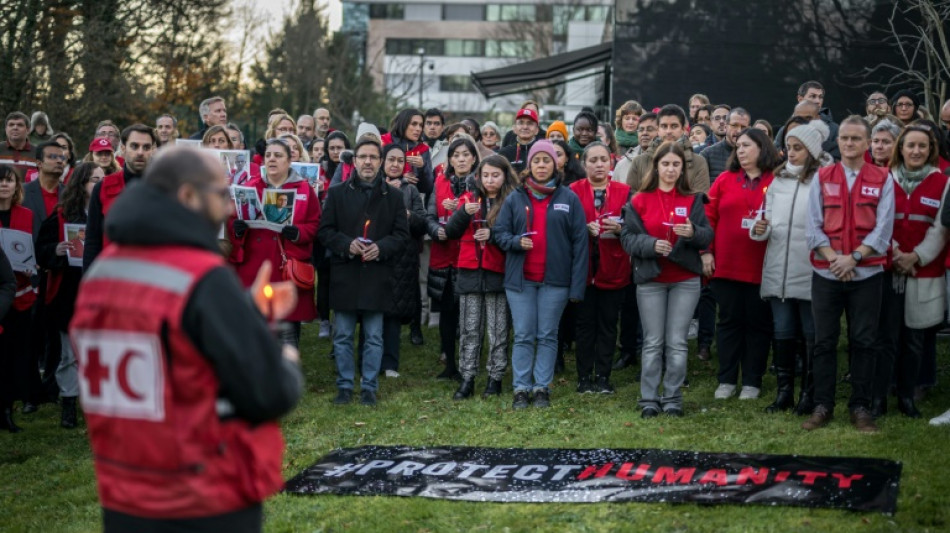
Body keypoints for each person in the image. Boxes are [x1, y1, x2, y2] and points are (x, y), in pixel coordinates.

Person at [68, 146, 301, 532]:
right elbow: (269, 391)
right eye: (222, 194)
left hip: (123, 495)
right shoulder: (201, 277)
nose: (229, 209)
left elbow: (166, 342)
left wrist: (243, 312)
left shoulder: (101, 274)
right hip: (203, 497)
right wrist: (286, 359)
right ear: (188, 196)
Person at [803, 116, 894, 433]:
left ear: (868, 143)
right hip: (826, 273)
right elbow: (812, 225)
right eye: (844, 138)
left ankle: (860, 406)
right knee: (824, 342)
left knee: (864, 341)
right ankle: (822, 405)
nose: (850, 143)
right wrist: (833, 259)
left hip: (867, 275)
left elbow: (883, 230)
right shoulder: (823, 176)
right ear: (838, 141)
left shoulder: (883, 178)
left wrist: (853, 258)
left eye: (856, 138)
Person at [493, 140, 588, 409]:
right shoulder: (515, 197)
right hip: (521, 281)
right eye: (537, 160)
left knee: (547, 334)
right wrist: (515, 242)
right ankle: (521, 388)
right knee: (523, 334)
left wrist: (576, 287)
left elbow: (581, 244)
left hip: (555, 282)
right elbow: (499, 234)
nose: (542, 165)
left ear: (556, 164)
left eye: (547, 160)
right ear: (529, 165)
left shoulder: (568, 198)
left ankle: (541, 388)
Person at [622, 142, 712, 417]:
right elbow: (627, 238)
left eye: (676, 165)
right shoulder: (638, 200)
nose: (671, 169)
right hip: (651, 280)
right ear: (656, 166)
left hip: (685, 278)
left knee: (677, 341)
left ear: (682, 169)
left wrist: (693, 232)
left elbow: (707, 236)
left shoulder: (693, 199)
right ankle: (648, 398)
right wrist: (651, 245)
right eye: (666, 164)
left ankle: (672, 396)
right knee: (652, 342)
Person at [318, 136, 409, 406]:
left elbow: (401, 236)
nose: (368, 162)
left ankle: (369, 386)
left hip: (377, 274)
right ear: (354, 162)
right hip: (345, 271)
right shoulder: (336, 194)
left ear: (380, 162)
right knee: (343, 334)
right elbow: (325, 231)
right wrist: (347, 245)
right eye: (363, 157)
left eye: (373, 157)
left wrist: (381, 248)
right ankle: (345, 386)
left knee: (374, 336)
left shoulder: (393, 196)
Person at [751, 120, 833, 414]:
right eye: (789, 147)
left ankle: (809, 394)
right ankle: (785, 392)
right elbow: (768, 220)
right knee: (783, 331)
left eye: (798, 148)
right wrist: (760, 228)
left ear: (811, 150)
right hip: (778, 267)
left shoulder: (823, 180)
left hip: (810, 266)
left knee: (811, 333)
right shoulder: (778, 180)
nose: (791, 153)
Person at [873, 124, 948, 419]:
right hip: (887, 270)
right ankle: (878, 398)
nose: (916, 151)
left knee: (915, 341)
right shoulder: (882, 180)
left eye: (922, 146)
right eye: (910, 145)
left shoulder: (943, 183)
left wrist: (915, 257)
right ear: (899, 149)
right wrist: (894, 255)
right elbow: (876, 223)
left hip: (922, 271)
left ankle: (907, 397)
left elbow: (941, 228)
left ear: (931, 150)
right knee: (885, 338)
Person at [703, 128, 780, 401]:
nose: (741, 150)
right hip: (727, 265)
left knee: (758, 326)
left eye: (747, 145)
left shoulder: (776, 180)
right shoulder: (724, 179)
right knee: (728, 322)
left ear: (762, 148)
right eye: (739, 147)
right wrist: (706, 253)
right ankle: (726, 379)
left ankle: (752, 381)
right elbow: (708, 218)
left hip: (761, 266)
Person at [228, 138, 320, 348]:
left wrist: (298, 232)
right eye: (269, 155)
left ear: (289, 161)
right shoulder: (249, 186)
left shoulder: (304, 189)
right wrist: (238, 227)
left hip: (286, 265)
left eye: (278, 155)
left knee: (286, 329)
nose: (272, 159)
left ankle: (285, 374)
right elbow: (232, 219)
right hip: (255, 265)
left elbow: (315, 224)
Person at [444, 154, 517, 399]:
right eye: (485, 175)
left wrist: (493, 234)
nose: (490, 180)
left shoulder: (512, 201)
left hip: (497, 272)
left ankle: (495, 378)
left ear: (505, 176)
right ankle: (467, 377)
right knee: (469, 329)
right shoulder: (469, 198)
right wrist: (463, 212)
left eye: (495, 175)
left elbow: (517, 234)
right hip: (470, 272)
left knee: (497, 330)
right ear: (478, 177)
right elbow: (451, 231)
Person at [36, 162, 102, 428]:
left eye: (101, 179)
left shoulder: (111, 212)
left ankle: (96, 404)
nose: (98, 184)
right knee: (68, 352)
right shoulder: (63, 214)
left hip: (101, 289)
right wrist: (57, 250)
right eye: (93, 179)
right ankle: (68, 402)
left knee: (96, 351)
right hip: (69, 291)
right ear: (81, 183)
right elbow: (41, 248)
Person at [570, 142, 631, 395]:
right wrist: (584, 228)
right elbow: (564, 228)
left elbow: (636, 226)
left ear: (611, 163)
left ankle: (603, 376)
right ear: (584, 164)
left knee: (607, 325)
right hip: (583, 272)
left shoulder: (624, 192)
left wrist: (620, 229)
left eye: (603, 160)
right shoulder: (573, 191)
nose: (598, 164)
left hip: (613, 269)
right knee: (584, 326)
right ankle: (584, 377)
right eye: (592, 160)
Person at [426, 138, 479, 381]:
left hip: (469, 256)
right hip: (443, 255)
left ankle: (469, 364)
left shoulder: (480, 184)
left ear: (474, 158)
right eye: (456, 154)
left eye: (465, 154)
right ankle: (449, 363)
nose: (460, 159)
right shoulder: (440, 181)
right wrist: (435, 228)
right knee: (447, 313)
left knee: (468, 316)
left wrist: (460, 207)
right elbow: (429, 215)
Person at [380, 144, 428, 378]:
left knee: (394, 314)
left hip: (403, 257)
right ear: (383, 161)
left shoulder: (410, 190)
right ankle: (370, 359)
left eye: (400, 160)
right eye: (391, 159)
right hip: (376, 255)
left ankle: (390, 362)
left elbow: (422, 222)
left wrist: (407, 213)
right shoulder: (374, 185)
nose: (395, 164)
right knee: (373, 311)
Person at [83, 124, 158, 269]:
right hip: (112, 274)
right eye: (134, 146)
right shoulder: (103, 187)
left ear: (153, 150)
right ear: (123, 149)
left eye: (146, 147)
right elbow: (93, 240)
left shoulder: (166, 188)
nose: (140, 152)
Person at [0, 163, 36, 432]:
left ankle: (7, 409)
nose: (4, 185)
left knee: (14, 356)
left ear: (16, 186)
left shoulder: (26, 214)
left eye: (9, 180)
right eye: (0, 180)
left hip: (21, 295)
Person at [627, 104, 710, 194]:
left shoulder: (698, 162)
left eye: (674, 126)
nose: (668, 131)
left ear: (683, 129)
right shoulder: (639, 162)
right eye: (664, 126)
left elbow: (700, 201)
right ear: (658, 129)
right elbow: (631, 200)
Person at [382, 109, 435, 195]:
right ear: (403, 123)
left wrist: (422, 167)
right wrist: (401, 178)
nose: (418, 129)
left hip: (411, 201)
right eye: (414, 124)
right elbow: (372, 176)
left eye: (421, 125)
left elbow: (428, 188)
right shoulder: (383, 142)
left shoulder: (423, 149)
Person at [23, 141, 66, 239]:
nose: (59, 161)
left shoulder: (70, 195)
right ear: (39, 163)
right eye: (52, 157)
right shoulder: (22, 193)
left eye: (62, 157)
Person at [701, 107, 750, 180]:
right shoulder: (707, 154)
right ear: (726, 126)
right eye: (734, 125)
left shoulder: (754, 155)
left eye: (743, 127)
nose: (739, 131)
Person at [498, 108, 541, 174]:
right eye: (521, 123)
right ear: (514, 128)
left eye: (530, 123)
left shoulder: (543, 152)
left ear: (537, 130)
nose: (525, 127)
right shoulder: (504, 154)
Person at [0, 112, 38, 180]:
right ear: (6, 129)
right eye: (11, 125)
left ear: (28, 130)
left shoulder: (38, 152)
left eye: (20, 125)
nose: (15, 127)